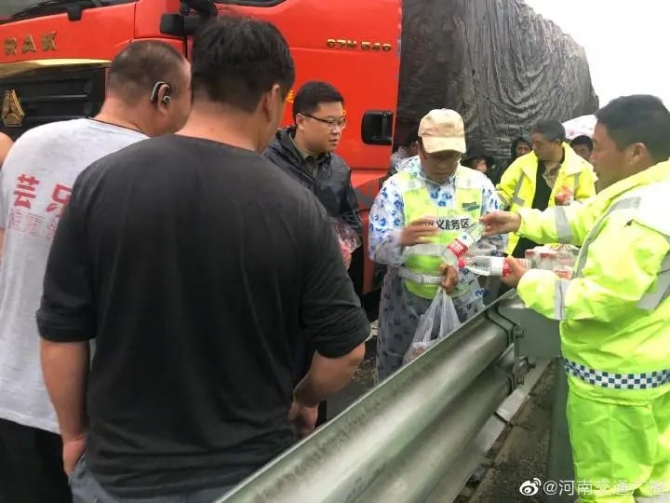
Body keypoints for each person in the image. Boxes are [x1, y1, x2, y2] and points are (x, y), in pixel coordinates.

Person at [37, 15, 369, 502]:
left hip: (119, 476)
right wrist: (303, 399)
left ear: (194, 86)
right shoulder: (297, 207)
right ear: (272, 99)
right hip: (250, 478)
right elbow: (347, 350)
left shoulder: (102, 181)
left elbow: (61, 330)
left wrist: (73, 434)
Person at [0, 41, 190, 503]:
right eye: (188, 96)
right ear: (163, 96)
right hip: (89, 411)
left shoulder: (30, 144)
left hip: (10, 388)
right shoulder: (156, 168)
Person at [481, 95, 670, 503]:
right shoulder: (649, 193)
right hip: (651, 364)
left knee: (607, 491)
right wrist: (520, 219)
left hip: (614, 383)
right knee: (654, 483)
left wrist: (528, 280)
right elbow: (584, 217)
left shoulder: (637, 220)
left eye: (598, 147)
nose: (591, 158)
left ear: (636, 152)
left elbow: (596, 300)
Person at [369, 109, 506, 381]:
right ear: (420, 149)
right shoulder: (397, 188)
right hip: (405, 302)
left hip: (462, 299)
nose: (444, 165)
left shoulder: (479, 185)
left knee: (458, 370)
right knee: (398, 373)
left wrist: (463, 266)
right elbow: (375, 246)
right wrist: (400, 238)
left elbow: (496, 240)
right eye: (436, 156)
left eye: (451, 156)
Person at [264, 80, 362, 235]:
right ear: (301, 121)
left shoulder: (339, 169)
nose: (337, 130)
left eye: (340, 122)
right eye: (330, 122)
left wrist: (341, 243)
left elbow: (352, 221)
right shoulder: (268, 161)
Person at [496, 119, 596, 259]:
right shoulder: (522, 164)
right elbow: (503, 193)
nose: (534, 147)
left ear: (556, 143)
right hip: (520, 237)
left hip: (555, 245)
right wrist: (490, 207)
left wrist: (569, 204)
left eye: (539, 144)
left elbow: (588, 208)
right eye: (533, 143)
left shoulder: (581, 169)